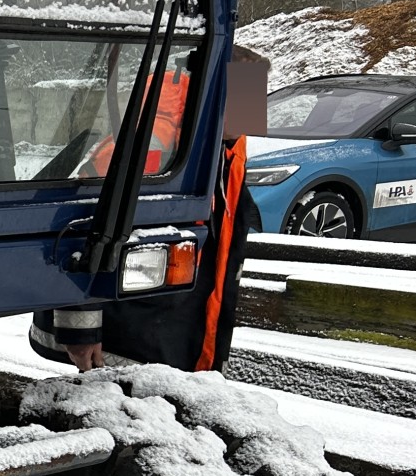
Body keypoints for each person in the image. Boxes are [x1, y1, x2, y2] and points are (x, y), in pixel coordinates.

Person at [30, 48, 268, 373]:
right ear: (213, 91)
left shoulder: (224, 147)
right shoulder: (153, 144)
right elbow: (79, 229)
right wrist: (80, 330)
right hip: (127, 344)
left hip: (169, 338)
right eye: (249, 93)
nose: (253, 110)